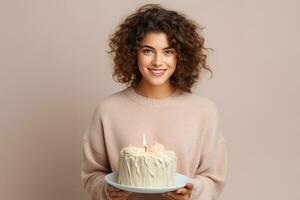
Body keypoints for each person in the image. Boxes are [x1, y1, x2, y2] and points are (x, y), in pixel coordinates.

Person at [81, 4, 227, 200]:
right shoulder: (108, 110)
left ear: (181, 56)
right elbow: (92, 174)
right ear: (133, 53)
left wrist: (193, 191)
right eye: (148, 51)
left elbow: (214, 177)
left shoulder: (204, 111)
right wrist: (106, 191)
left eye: (168, 51)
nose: (158, 62)